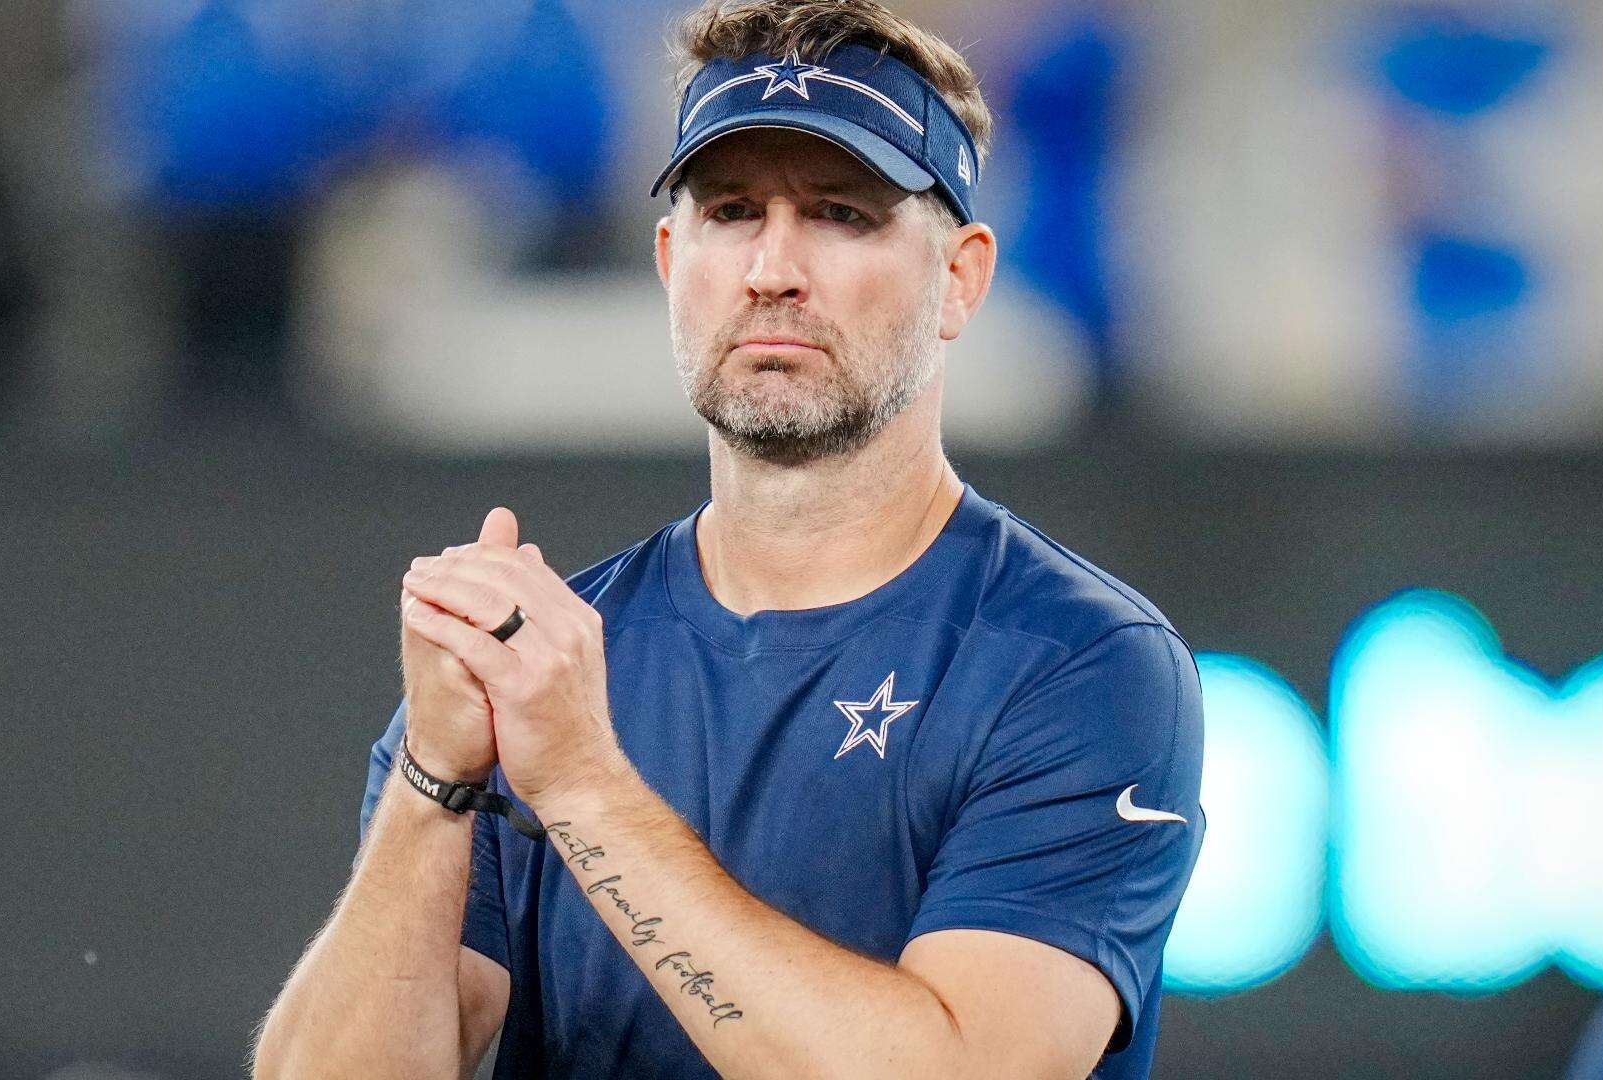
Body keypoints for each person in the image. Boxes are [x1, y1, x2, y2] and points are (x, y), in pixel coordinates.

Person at [253, 2, 1205, 1077]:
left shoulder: (1079, 664)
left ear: (962, 278)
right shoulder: (545, 662)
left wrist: (578, 783)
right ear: (671, 259)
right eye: (733, 210)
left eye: (841, 214)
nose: (771, 269)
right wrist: (435, 780)